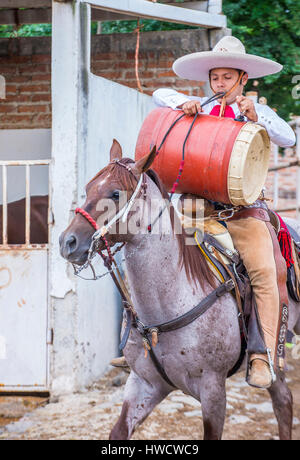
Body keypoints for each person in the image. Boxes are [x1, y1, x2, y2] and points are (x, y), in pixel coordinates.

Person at [111, 36, 296, 389]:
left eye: (228, 77)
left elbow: (288, 138)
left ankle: (261, 354)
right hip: (195, 207)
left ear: (243, 78)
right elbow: (160, 94)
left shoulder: (258, 111)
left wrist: (258, 119)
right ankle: (135, 341)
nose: (220, 84)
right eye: (215, 78)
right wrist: (186, 102)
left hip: (244, 212)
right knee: (145, 251)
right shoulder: (201, 107)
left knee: (264, 272)